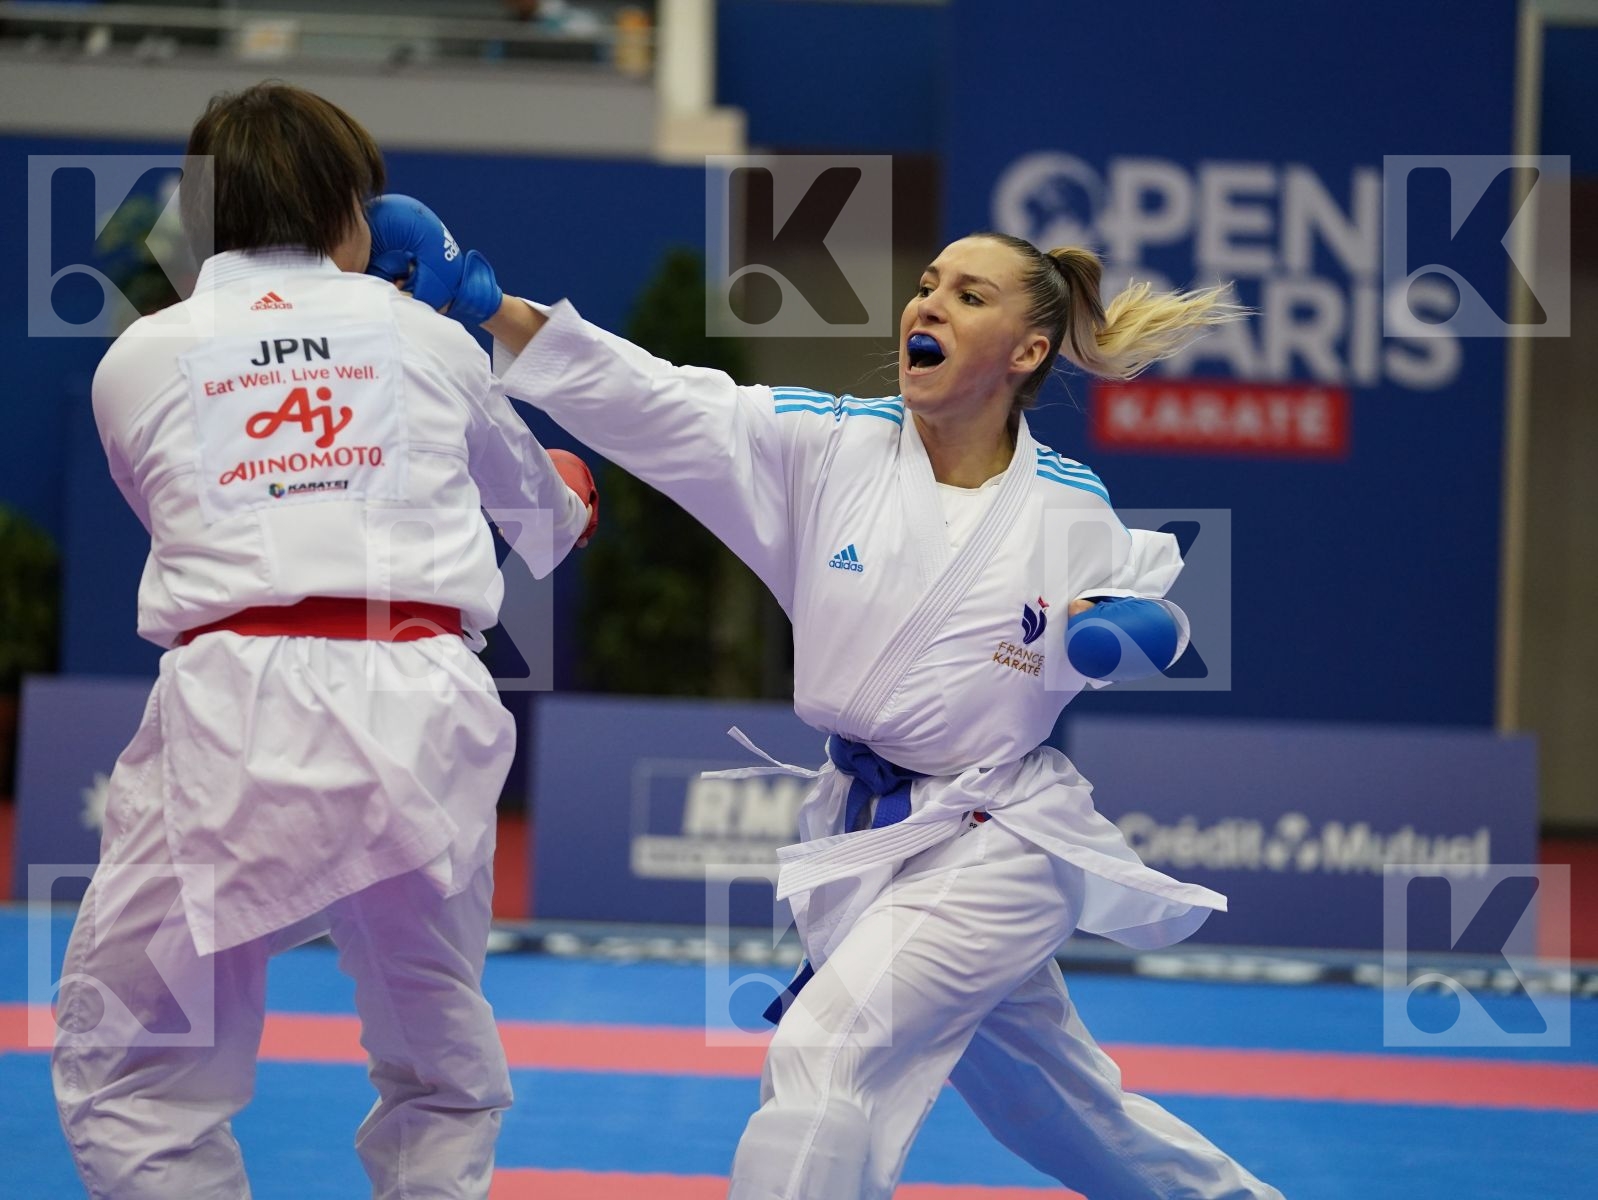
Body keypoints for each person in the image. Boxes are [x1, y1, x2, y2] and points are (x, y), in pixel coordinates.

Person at [370, 198, 1280, 1197]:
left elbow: (1145, 601)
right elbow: (656, 396)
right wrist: (494, 308)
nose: (925, 304)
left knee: (825, 1052)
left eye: (965, 295)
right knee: (1056, 1110)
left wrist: (1133, 632)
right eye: (926, 284)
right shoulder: (825, 447)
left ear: (1024, 351)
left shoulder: (1067, 502)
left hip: (997, 837)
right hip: (863, 836)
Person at [51, 84, 597, 1200]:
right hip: (424, 706)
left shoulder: (136, 360)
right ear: (356, 207)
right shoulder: (432, 341)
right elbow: (548, 525)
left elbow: (187, 517)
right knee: (438, 1063)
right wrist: (565, 470)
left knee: (134, 1078)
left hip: (236, 704)